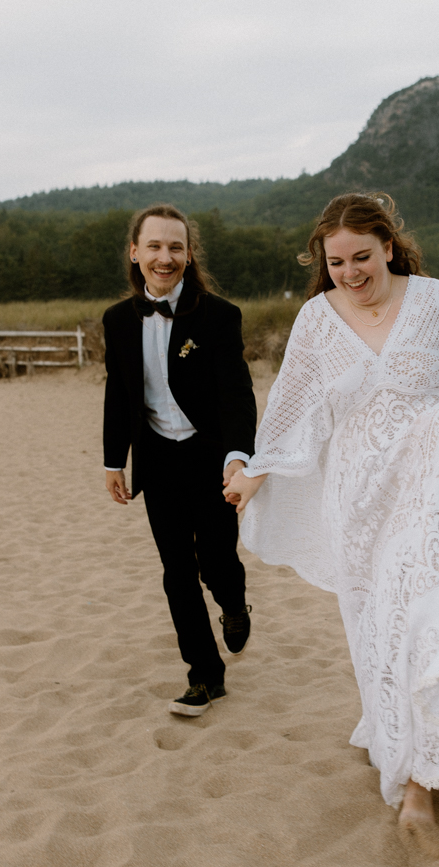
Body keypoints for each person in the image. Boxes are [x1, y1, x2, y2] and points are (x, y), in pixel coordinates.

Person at [224, 192, 439, 842]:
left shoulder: (436, 301)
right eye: (335, 262)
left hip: (424, 489)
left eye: (361, 256)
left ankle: (418, 786)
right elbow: (295, 411)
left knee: (422, 617)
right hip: (356, 501)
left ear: (388, 247)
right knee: (374, 632)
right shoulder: (314, 320)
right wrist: (255, 470)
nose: (350, 272)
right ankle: (397, 736)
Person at [104, 203, 256, 717]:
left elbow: (237, 395)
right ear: (135, 252)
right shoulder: (117, 321)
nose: (164, 257)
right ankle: (204, 676)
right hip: (158, 460)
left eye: (175, 247)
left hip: (210, 458)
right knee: (176, 570)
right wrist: (112, 460)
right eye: (154, 246)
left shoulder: (219, 316)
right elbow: (119, 394)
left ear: (189, 256)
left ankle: (233, 604)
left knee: (216, 561)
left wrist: (238, 458)